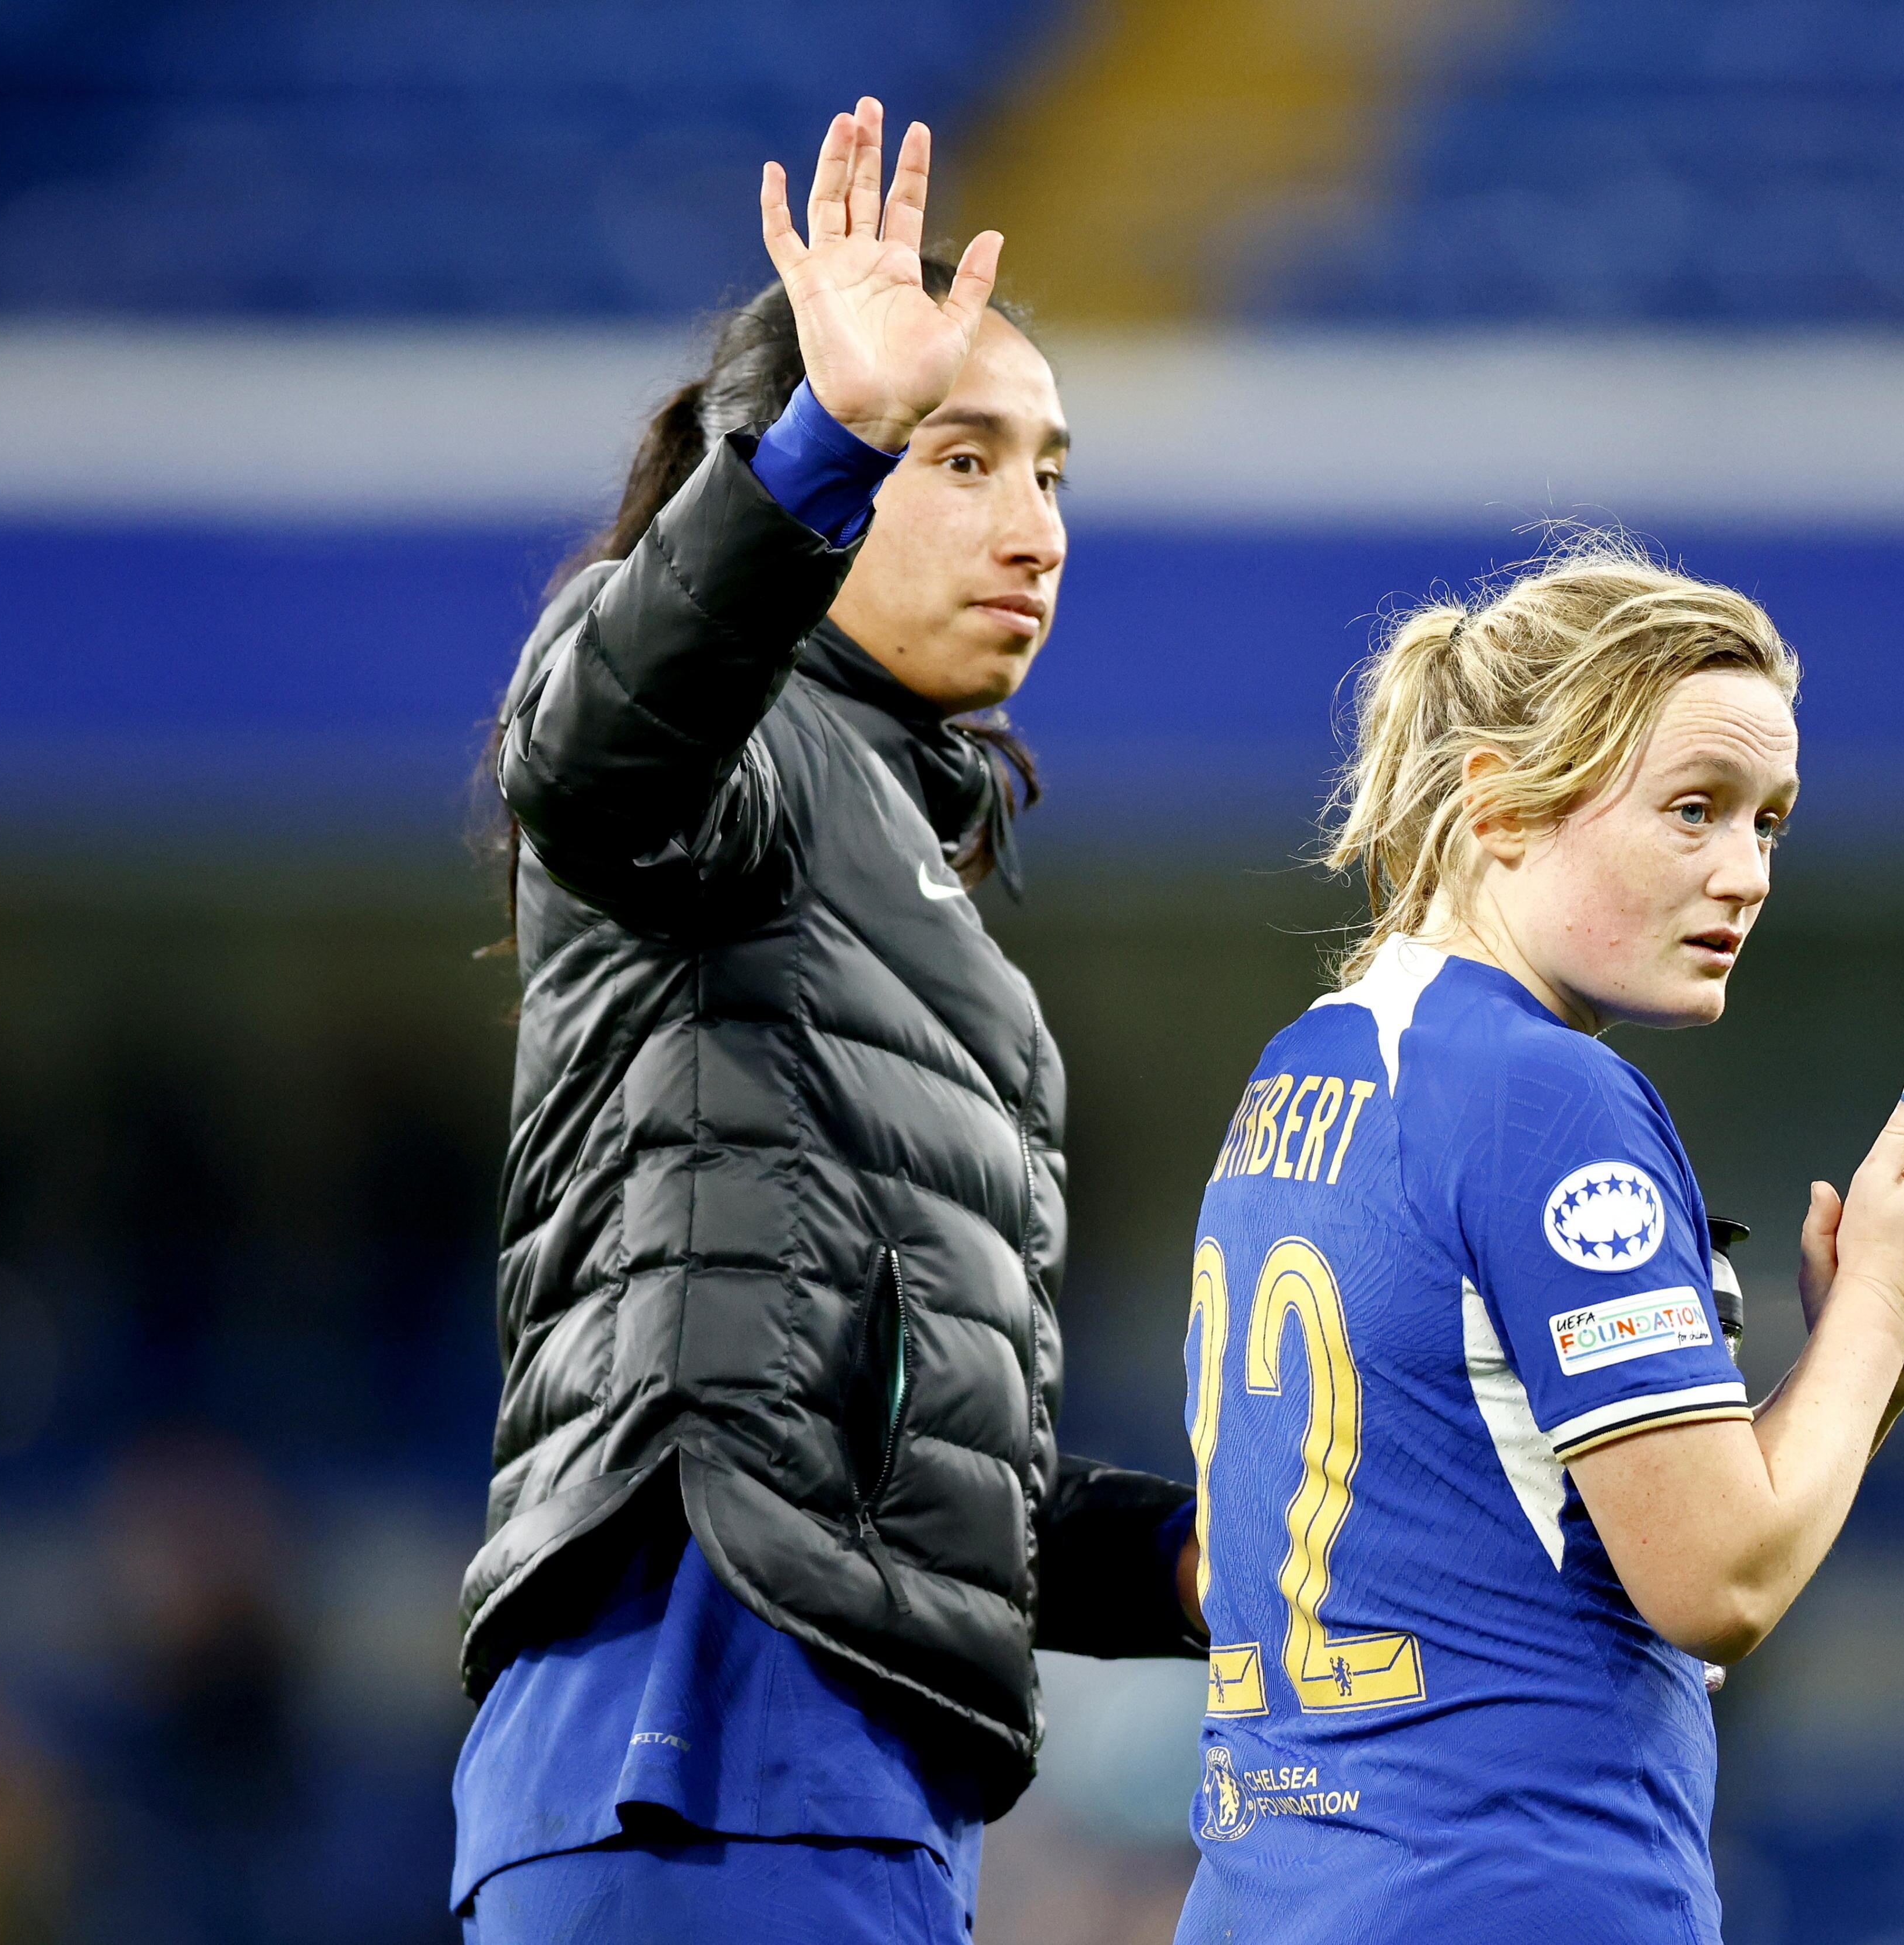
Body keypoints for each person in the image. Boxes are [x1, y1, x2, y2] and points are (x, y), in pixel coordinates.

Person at [453, 100, 1203, 1942]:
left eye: (1051, 471)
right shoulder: (746, 748)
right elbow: (593, 749)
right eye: (963, 458)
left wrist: (1189, 1555)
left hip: (846, 1769)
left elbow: (885, 1450)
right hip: (698, 1736)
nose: (1033, 522)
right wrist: (821, 447)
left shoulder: (902, 860)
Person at [1172, 547, 1904, 1940]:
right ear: (1497, 803)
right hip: (1509, 1892)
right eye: (1691, 810)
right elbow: (1716, 1581)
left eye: (1769, 822)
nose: (1746, 872)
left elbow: (1568, 1534)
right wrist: (1885, 1305)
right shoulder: (1546, 1093)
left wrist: (1882, 1354)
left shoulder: (1304, 1070)